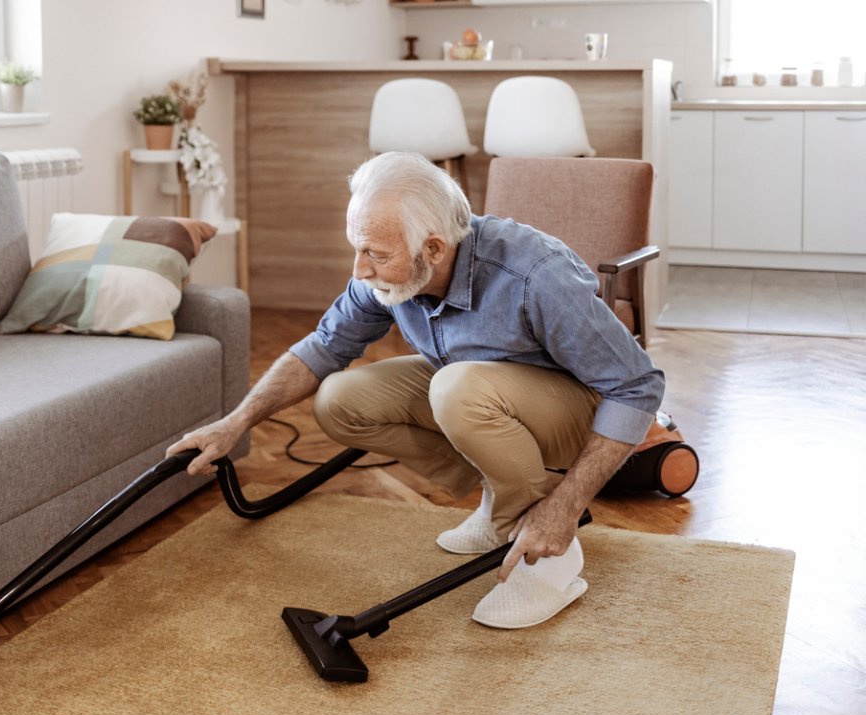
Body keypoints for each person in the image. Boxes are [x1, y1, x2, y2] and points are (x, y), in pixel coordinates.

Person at [168, 151, 664, 628]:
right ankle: (502, 496)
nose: (360, 270)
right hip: (480, 394)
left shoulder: (535, 275)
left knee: (457, 388)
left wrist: (566, 505)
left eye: (376, 255)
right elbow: (323, 347)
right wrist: (237, 422)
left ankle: (550, 558)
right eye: (357, 249)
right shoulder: (385, 270)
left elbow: (637, 386)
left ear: (433, 248)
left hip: (576, 411)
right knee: (339, 400)